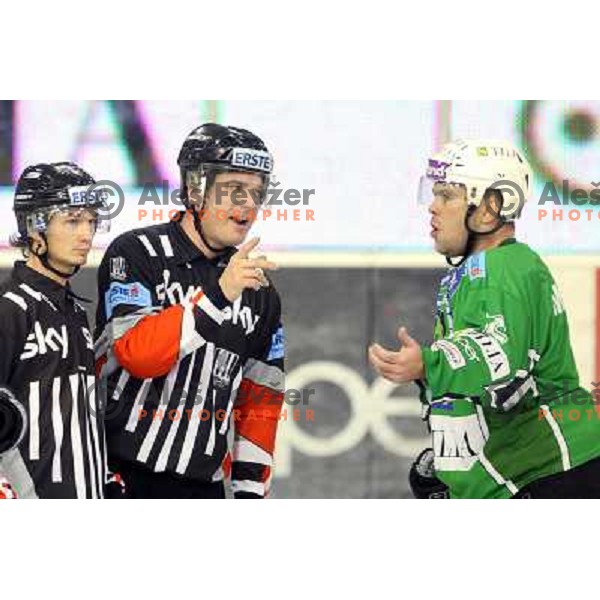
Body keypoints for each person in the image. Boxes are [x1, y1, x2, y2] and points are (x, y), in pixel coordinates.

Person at [369, 139, 600, 499]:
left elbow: (496, 353)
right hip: (529, 471)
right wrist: (450, 466)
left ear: (491, 208)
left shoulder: (506, 267)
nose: (432, 207)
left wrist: (429, 363)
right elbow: (480, 390)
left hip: (551, 469)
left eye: (446, 195)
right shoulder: (475, 272)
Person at [95, 123, 285, 498]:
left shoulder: (259, 291)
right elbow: (139, 355)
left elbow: (260, 401)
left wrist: (249, 493)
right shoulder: (134, 253)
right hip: (121, 481)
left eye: (257, 193)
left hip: (203, 489)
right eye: (234, 191)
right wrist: (219, 295)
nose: (248, 206)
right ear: (196, 190)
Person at [0, 162, 110, 498]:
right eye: (73, 220)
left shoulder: (74, 310)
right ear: (35, 227)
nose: (86, 234)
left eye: (91, 221)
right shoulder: (10, 308)